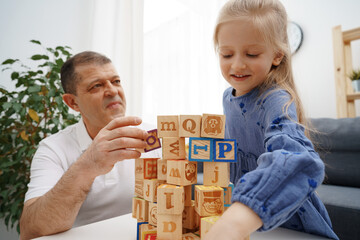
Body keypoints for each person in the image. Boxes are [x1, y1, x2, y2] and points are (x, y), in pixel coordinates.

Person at [204, 0, 339, 239]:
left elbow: (297, 159)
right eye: (226, 54)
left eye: (252, 53)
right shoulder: (228, 97)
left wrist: (234, 223)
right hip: (251, 224)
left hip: (289, 221)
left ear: (277, 55)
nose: (236, 64)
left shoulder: (275, 98)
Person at [19, 51, 161, 240]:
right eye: (96, 86)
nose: (113, 91)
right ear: (72, 102)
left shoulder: (153, 136)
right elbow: (31, 229)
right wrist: (88, 164)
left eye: (116, 81)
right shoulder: (53, 149)